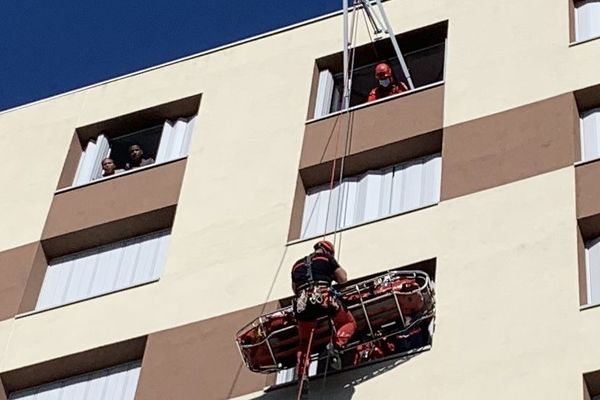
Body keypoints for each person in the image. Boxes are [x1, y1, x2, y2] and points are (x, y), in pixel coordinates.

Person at [291, 240, 357, 397]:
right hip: (323, 297)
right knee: (348, 322)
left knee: (305, 342)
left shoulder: (297, 265)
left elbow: (295, 289)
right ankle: (336, 346)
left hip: (302, 305)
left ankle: (302, 375)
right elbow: (343, 278)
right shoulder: (327, 259)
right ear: (328, 251)